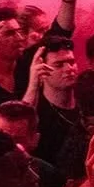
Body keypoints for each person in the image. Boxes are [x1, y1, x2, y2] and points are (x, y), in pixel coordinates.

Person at [23, 34, 80, 166]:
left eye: (71, 62)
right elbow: (21, 123)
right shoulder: (37, 107)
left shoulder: (86, 103)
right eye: (59, 65)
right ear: (41, 69)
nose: (69, 69)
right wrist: (33, 84)